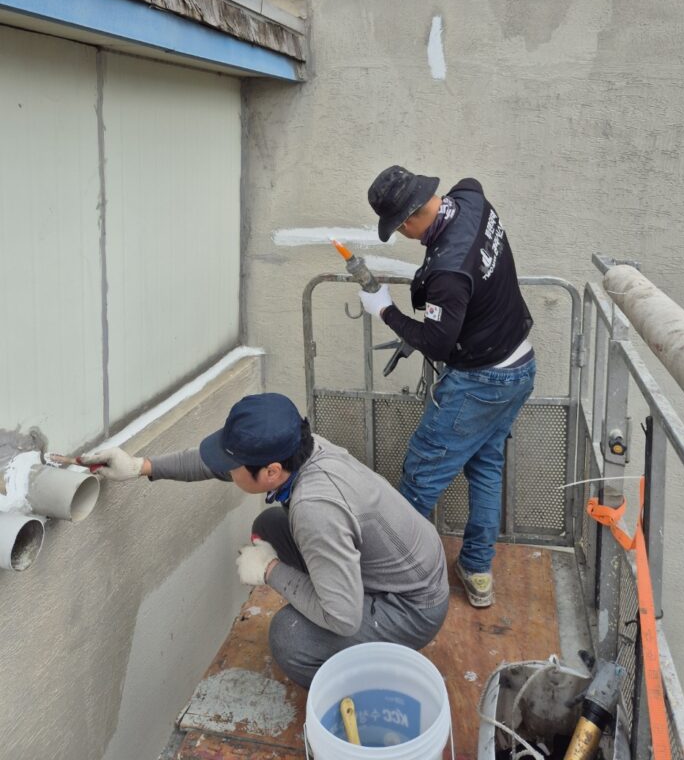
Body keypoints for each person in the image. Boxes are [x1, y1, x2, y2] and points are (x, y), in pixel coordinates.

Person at [80, 393, 449, 688]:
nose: (225, 470)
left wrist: (271, 571)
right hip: (392, 573)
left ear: (272, 472)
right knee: (271, 524)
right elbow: (214, 464)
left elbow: (343, 618)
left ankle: (355, 684)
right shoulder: (301, 448)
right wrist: (143, 466)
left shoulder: (316, 509)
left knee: (291, 638)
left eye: (234, 465)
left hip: (409, 608)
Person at [359, 165, 535, 608]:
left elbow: (438, 343)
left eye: (400, 228)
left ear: (410, 218)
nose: (402, 235)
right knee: (486, 467)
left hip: (481, 380)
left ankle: (391, 578)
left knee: (420, 478)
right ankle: (476, 570)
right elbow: (469, 193)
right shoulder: (471, 197)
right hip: (519, 365)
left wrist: (385, 311)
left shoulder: (449, 272)